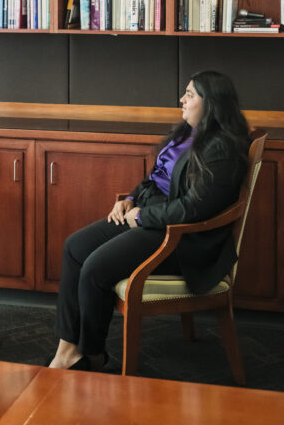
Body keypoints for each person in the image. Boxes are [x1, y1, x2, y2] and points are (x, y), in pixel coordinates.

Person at [49, 69, 250, 371]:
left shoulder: (222, 149)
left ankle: (91, 354)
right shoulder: (189, 132)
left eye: (190, 95)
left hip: (181, 238)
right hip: (153, 216)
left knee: (95, 268)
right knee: (74, 247)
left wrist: (143, 216)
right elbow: (157, 178)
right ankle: (68, 349)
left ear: (212, 104)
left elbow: (195, 209)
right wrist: (130, 199)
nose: (181, 99)